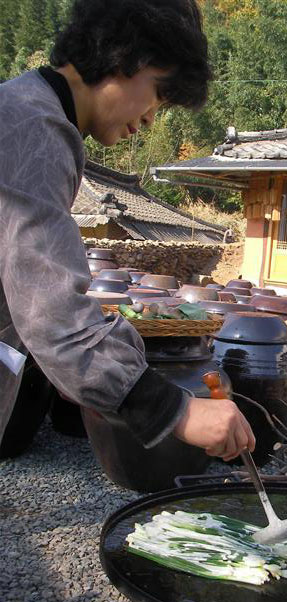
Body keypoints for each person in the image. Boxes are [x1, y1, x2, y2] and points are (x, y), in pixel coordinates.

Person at [0, 0, 255, 463]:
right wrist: (174, 410)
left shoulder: (24, 109)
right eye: (158, 95)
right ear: (125, 59)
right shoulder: (35, 129)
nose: (152, 119)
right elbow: (52, 317)